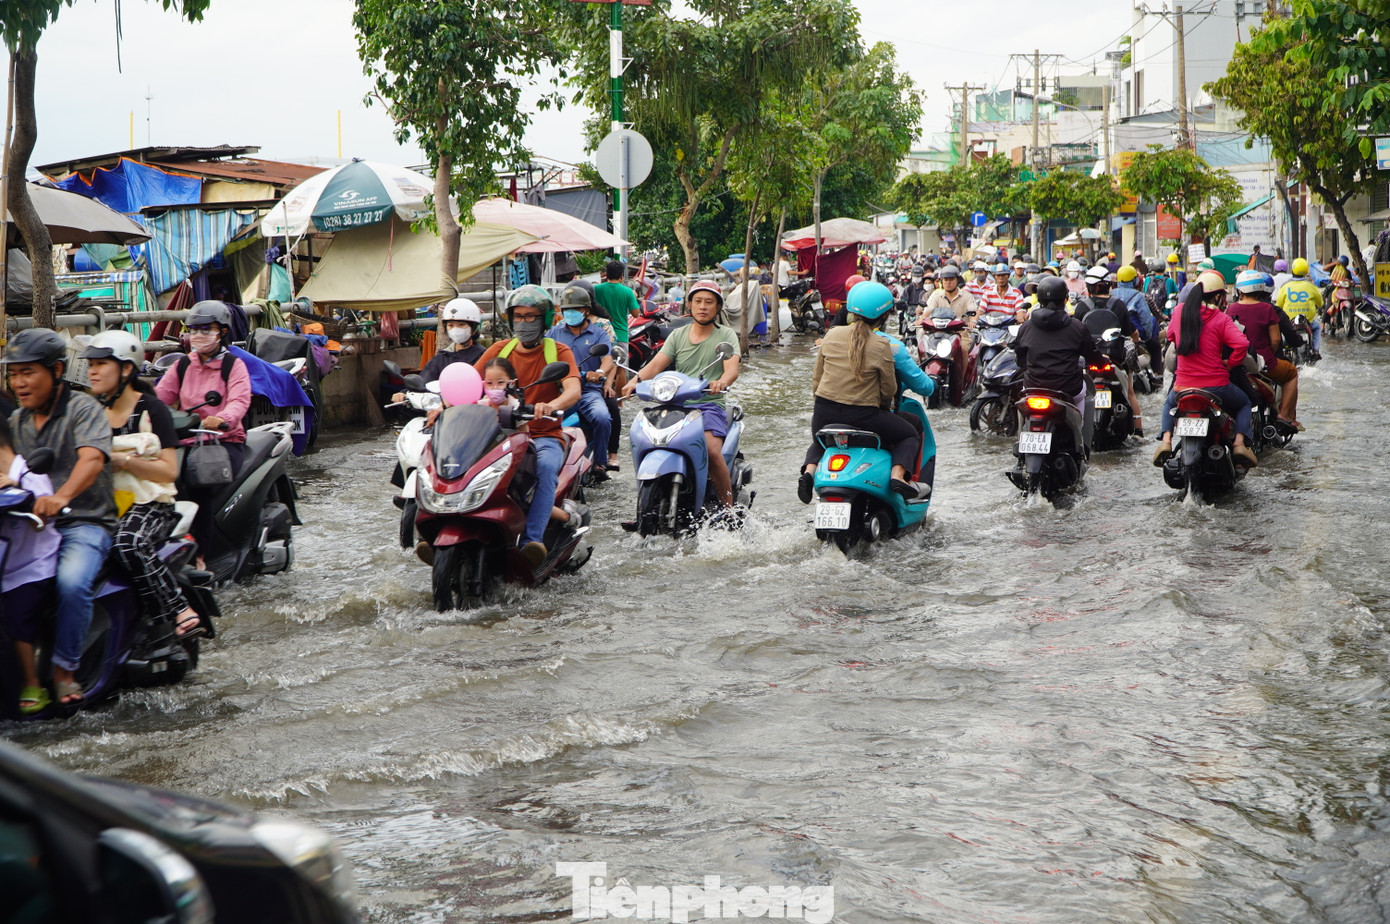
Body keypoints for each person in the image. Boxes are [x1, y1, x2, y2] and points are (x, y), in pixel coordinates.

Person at [4, 328, 116, 707]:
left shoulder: (83, 409)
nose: (18, 382)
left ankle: (65, 670)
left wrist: (61, 496)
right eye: (13, 374)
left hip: (83, 521)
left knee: (71, 583)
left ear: (55, 370)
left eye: (27, 373)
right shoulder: (17, 421)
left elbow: (92, 459)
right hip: (30, 526)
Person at [82, 331, 205, 642]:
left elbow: (168, 471)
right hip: (102, 504)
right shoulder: (90, 413)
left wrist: (121, 462)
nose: (92, 371)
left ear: (126, 369)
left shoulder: (151, 409)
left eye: (101, 364)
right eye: (90, 365)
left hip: (149, 504)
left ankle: (180, 609)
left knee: (127, 542)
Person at [471, 285, 583, 566]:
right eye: (518, 316)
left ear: (545, 319)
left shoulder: (558, 350)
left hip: (544, 434)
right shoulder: (499, 350)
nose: (523, 322)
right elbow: (470, 383)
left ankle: (533, 540)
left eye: (531, 316)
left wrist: (553, 405)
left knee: (544, 469)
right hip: (498, 434)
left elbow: (573, 389)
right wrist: (442, 404)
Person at [797, 281, 930, 503]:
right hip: (864, 417)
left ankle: (808, 473)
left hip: (823, 413)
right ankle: (899, 476)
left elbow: (817, 379)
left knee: (821, 440)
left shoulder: (831, 335)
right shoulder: (882, 345)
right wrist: (885, 408)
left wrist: (822, 404)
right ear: (884, 316)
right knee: (909, 433)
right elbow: (888, 390)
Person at [622, 280, 740, 508]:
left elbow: (731, 370)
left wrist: (721, 382)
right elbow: (656, 365)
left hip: (708, 403)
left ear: (717, 307)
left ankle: (728, 509)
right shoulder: (677, 336)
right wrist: (634, 382)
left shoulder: (726, 335)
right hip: (676, 403)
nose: (703, 306)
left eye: (709, 302)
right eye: (698, 301)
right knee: (647, 440)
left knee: (712, 450)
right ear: (690, 305)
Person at [155, 300, 253, 558]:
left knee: (200, 484)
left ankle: (201, 557)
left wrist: (222, 419)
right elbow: (159, 398)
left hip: (224, 442)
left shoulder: (234, 365)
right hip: (186, 442)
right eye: (193, 329)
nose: (198, 335)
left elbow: (240, 400)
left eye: (205, 329)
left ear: (221, 332)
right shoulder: (183, 365)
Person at [1153, 272, 1258, 468]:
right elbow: (1242, 345)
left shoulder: (1178, 312)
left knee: (1168, 404)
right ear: (1218, 296)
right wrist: (1230, 363)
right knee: (1244, 403)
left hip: (1182, 387)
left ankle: (1166, 441)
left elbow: (1170, 336)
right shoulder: (1221, 319)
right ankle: (1239, 444)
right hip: (1217, 386)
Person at [0, 413, 60, 714]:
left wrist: (20, 496)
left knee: (17, 616)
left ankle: (32, 683)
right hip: (5, 564)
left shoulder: (29, 474)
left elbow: (42, 517)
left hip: (33, 563)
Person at [1014, 276, 1110, 429]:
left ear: (1039, 300)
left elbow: (1020, 360)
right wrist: (1102, 363)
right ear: (1065, 300)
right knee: (1084, 396)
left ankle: (1020, 435)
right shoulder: (1077, 327)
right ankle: (1081, 443)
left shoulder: (1026, 327)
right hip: (1068, 389)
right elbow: (1092, 356)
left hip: (1033, 387)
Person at [547, 283, 616, 477]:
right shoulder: (554, 333)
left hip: (588, 390)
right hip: (562, 391)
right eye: (567, 309)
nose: (570, 313)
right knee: (543, 418)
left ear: (586, 310)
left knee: (603, 418)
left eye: (575, 309)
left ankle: (600, 464)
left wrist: (600, 372)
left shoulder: (599, 332)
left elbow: (608, 358)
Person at [1227, 271, 1301, 429]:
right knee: (1292, 373)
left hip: (1237, 362)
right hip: (1264, 364)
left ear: (1240, 291)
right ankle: (1284, 415)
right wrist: (1267, 354)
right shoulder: (1268, 309)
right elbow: (1275, 339)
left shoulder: (1231, 309)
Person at [419, 298, 485, 384]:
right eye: (451, 325)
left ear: (473, 328)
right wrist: (403, 393)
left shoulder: (483, 355)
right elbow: (423, 383)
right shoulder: (441, 358)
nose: (456, 329)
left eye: (461, 324)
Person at [1274, 258, 1323, 358]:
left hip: (1289, 320)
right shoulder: (1311, 286)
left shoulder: (1285, 286)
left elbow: (1279, 305)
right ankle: (1315, 350)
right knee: (1317, 327)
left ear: (1292, 270)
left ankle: (1283, 350)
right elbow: (1320, 302)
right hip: (1307, 320)